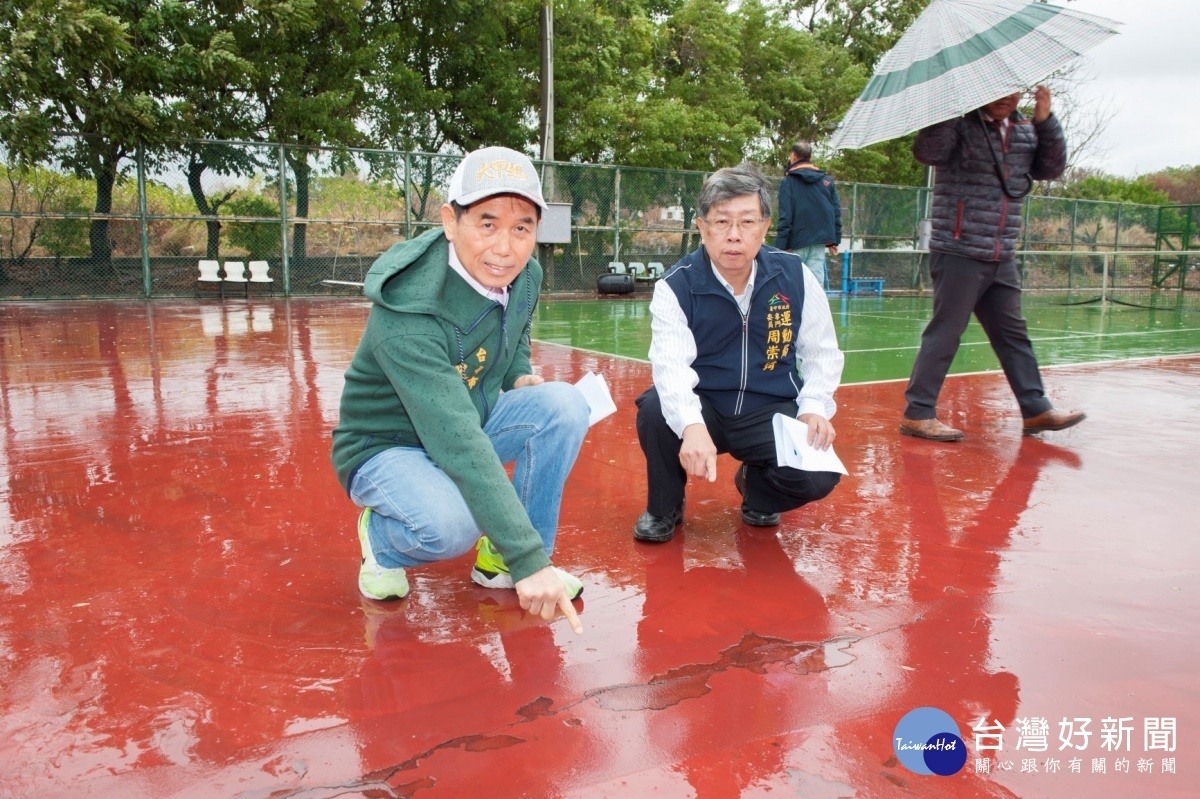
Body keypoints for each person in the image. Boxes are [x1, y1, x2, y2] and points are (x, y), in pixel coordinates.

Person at [331, 146, 588, 633]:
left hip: (466, 413)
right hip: (388, 444)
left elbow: (515, 326)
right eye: (486, 223)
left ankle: (502, 562)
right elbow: (460, 443)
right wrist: (533, 559)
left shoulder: (525, 274)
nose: (506, 248)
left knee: (564, 405)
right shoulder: (408, 315)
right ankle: (381, 537)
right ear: (451, 221)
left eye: (522, 227)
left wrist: (517, 372)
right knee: (451, 526)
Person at [633, 163, 844, 542]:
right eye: (721, 222)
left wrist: (814, 406)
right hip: (706, 405)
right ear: (701, 227)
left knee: (820, 472)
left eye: (747, 222)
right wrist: (692, 425)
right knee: (655, 410)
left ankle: (756, 487)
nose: (734, 236)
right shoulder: (676, 286)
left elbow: (822, 353)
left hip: (770, 408)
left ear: (764, 227)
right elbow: (670, 367)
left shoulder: (795, 276)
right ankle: (664, 507)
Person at [900, 86, 1085, 441]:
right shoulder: (961, 125)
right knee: (946, 332)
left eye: (1014, 91)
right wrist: (951, 108)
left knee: (1013, 334)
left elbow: (1051, 168)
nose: (1006, 98)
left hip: (1001, 251)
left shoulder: (1026, 130)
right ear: (981, 89)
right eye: (998, 91)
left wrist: (1045, 121)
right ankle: (917, 413)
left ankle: (1036, 410)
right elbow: (928, 151)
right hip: (958, 248)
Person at [774, 141, 842, 290]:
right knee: (815, 288)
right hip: (818, 242)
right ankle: (816, 314)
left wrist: (780, 247)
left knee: (791, 288)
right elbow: (835, 211)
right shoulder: (826, 181)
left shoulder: (789, 181)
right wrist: (834, 240)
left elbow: (786, 216)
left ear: (793, 156)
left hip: (795, 243)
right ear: (809, 157)